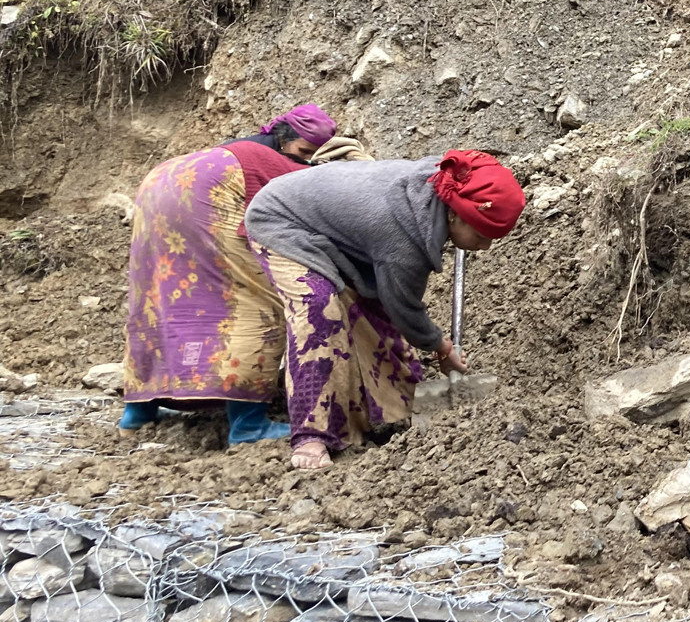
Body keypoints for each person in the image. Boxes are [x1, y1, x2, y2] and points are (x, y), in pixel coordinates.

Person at [244, 150, 524, 469]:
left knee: (372, 307)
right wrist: (442, 349)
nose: (485, 247)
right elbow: (405, 310)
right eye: (480, 235)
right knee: (319, 308)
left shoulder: (448, 183)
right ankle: (312, 435)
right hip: (281, 219)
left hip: (333, 225)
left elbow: (388, 304)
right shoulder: (402, 237)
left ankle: (394, 409)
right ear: (454, 215)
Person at [120, 104, 342, 446]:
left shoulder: (240, 146)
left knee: (159, 294)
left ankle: (138, 414)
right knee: (254, 297)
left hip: (160, 181)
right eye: (303, 152)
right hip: (211, 187)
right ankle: (248, 425)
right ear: (283, 140)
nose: (306, 162)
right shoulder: (277, 164)